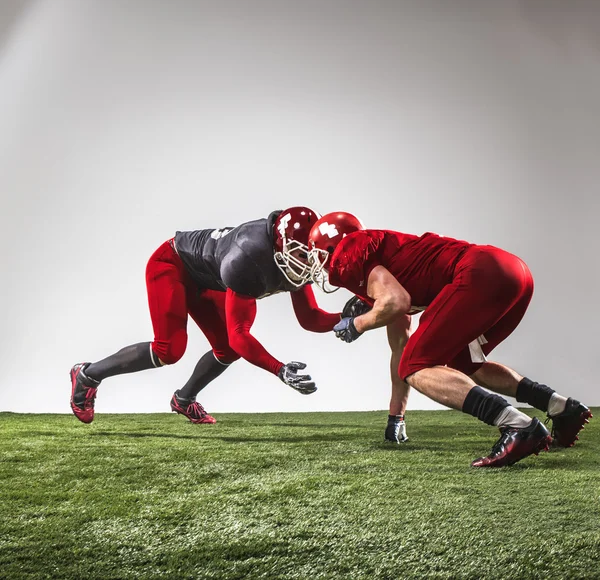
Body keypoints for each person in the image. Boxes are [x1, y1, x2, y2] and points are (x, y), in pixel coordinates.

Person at [307, 212, 592, 467]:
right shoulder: (386, 265)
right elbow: (401, 350)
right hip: (511, 271)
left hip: (479, 274)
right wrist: (396, 416)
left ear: (333, 247)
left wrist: (357, 324)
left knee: (416, 368)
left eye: (316, 255)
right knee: (464, 363)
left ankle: (516, 425)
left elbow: (395, 303)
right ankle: (560, 406)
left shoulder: (350, 255)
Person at [70, 207, 343, 424]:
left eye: (309, 255)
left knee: (226, 350)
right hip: (173, 263)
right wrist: (279, 369)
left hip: (208, 277)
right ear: (281, 247)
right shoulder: (247, 257)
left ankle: (184, 398)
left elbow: (310, 317)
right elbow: (240, 336)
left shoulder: (293, 254)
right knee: (170, 350)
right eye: (300, 255)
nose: (307, 263)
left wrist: (350, 318)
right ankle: (88, 375)